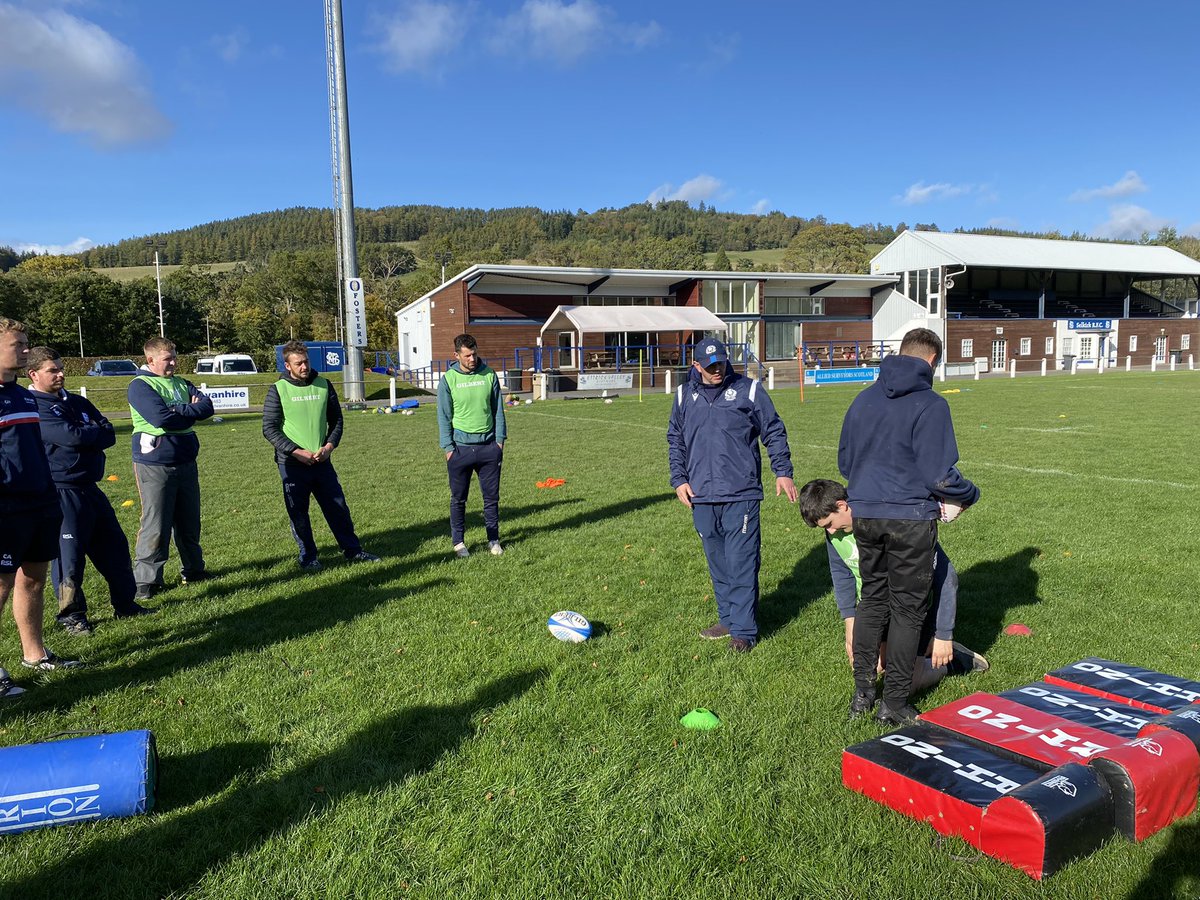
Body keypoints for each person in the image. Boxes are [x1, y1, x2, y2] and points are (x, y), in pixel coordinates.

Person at [838, 327, 979, 724]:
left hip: (865, 513)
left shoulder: (862, 400)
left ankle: (862, 694)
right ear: (932, 361)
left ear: (901, 354)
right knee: (907, 610)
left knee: (873, 600)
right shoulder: (931, 405)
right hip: (910, 518)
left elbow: (845, 463)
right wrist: (970, 494)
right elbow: (941, 477)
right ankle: (894, 702)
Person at [667, 336, 798, 653]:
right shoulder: (685, 395)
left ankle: (744, 631)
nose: (717, 370)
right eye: (710, 366)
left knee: (741, 561)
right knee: (719, 563)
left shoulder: (749, 390)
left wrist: (782, 471)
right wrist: (679, 479)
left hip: (741, 493)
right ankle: (727, 618)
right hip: (700, 495)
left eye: (721, 363)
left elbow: (773, 430)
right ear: (696, 366)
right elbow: (676, 439)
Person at [799, 478, 987, 690]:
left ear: (842, 506)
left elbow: (946, 576)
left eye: (829, 524)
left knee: (907, 684)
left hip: (911, 610)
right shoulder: (834, 533)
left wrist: (943, 633)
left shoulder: (889, 521)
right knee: (877, 666)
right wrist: (850, 623)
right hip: (875, 607)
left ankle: (947, 659)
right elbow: (842, 573)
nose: (831, 532)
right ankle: (925, 648)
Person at [27, 347, 154, 634]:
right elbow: (68, 436)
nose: (60, 374)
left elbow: (108, 432)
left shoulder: (77, 402)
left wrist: (88, 434)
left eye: (60, 368)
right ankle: (71, 616)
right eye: (52, 370)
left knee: (115, 548)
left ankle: (126, 604)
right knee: (69, 558)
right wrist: (89, 434)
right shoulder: (35, 405)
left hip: (90, 488)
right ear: (33, 374)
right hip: (62, 491)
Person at [0, 319, 82, 687]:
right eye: (18, 344)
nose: (25, 350)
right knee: (0, 585)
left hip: (41, 502)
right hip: (5, 508)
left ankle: (36, 655)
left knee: (32, 580)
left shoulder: (22, 394)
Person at [262, 341, 380, 570]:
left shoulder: (324, 385)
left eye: (306, 361)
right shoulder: (278, 390)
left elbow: (336, 420)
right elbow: (269, 428)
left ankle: (353, 551)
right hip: (292, 464)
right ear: (288, 366)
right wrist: (296, 452)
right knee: (299, 513)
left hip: (321, 461)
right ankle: (309, 557)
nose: (304, 366)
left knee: (338, 507)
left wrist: (329, 447)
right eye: (299, 363)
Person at [127, 336, 214, 599]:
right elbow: (161, 418)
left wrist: (179, 408)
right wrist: (187, 410)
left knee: (189, 521)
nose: (174, 363)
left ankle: (194, 569)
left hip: (186, 461)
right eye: (168, 359)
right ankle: (146, 581)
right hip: (155, 463)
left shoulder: (181, 382)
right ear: (150, 360)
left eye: (175, 357)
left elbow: (207, 407)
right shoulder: (140, 386)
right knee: (156, 522)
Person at [437, 334, 506, 558]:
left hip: (488, 448)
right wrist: (448, 448)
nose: (472, 358)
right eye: (467, 355)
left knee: (491, 498)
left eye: (474, 353)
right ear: (456, 355)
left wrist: (499, 441)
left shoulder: (489, 375)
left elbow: (498, 410)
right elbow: (444, 416)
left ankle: (493, 539)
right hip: (460, 449)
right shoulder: (448, 379)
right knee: (458, 499)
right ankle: (459, 543)